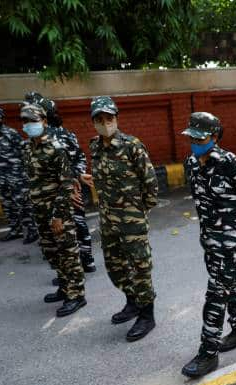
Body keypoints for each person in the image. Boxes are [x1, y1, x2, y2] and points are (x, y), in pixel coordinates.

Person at [180, 112, 236, 378]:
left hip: (230, 239)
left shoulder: (230, 164)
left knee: (216, 293)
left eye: (200, 137)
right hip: (210, 238)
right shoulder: (191, 164)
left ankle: (208, 352)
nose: (194, 141)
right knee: (228, 283)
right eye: (191, 137)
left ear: (214, 137)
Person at [86, 96, 159, 342]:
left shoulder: (132, 145)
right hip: (108, 219)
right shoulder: (94, 146)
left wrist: (140, 211)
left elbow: (150, 182)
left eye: (109, 118)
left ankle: (147, 315)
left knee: (140, 267)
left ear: (116, 118)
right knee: (115, 267)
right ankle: (132, 302)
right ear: (94, 121)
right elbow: (103, 180)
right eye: (100, 119)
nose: (105, 123)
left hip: (132, 220)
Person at [20, 104, 87, 316]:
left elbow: (66, 184)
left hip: (58, 213)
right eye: (25, 121)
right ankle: (64, 288)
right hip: (39, 211)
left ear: (45, 122)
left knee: (67, 253)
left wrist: (58, 215)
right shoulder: (27, 148)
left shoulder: (56, 148)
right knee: (51, 252)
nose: (29, 125)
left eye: (33, 120)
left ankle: (76, 295)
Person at [24, 92, 96, 276]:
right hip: (57, 191)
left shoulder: (62, 135)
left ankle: (85, 262)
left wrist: (76, 178)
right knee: (65, 231)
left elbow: (79, 157)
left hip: (68, 188)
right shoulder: (35, 141)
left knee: (76, 225)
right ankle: (70, 271)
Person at [0, 106, 39, 243]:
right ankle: (15, 230)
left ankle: (32, 231)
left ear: (2, 118)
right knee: (7, 205)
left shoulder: (11, 133)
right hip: (1, 177)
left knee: (23, 204)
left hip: (16, 176)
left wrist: (24, 172)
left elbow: (24, 152)